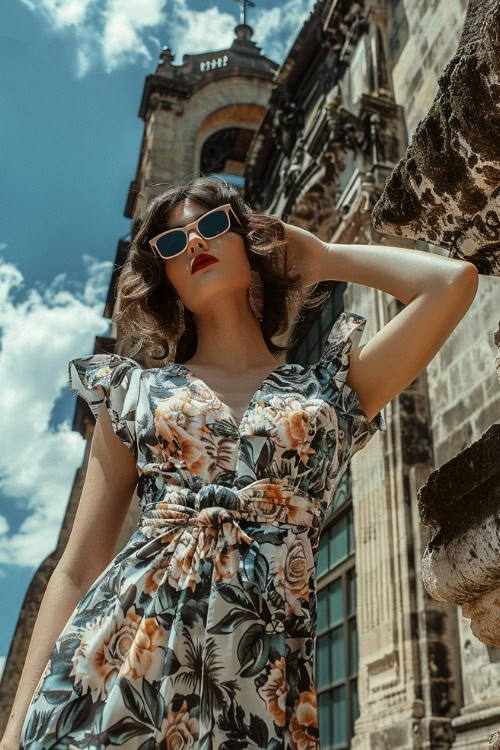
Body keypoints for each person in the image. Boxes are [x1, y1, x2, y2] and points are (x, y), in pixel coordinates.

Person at [3, 176, 477, 749]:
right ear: (167, 280)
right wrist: (12, 733)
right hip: (113, 680)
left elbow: (452, 283)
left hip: (256, 691)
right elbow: (78, 568)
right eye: (173, 244)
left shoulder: (326, 394)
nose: (194, 243)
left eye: (210, 226)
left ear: (248, 241)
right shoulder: (133, 393)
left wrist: (324, 256)